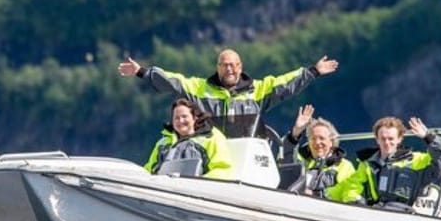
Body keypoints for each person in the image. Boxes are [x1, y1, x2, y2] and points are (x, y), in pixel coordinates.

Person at [118, 49, 339, 138]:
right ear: (218, 68)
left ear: (240, 67)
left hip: (248, 155)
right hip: (215, 159)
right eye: (224, 65)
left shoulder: (259, 90)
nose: (229, 69)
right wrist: (142, 72)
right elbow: (173, 81)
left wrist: (313, 71)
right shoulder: (200, 89)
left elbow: (285, 84)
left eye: (233, 65)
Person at [333, 116, 441, 209]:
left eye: (391, 139)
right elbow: (352, 186)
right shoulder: (367, 164)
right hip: (373, 213)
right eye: (383, 138)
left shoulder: (416, 160)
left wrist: (428, 137)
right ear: (377, 139)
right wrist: (357, 203)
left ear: (399, 139)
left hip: (403, 215)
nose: (387, 142)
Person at [282, 104, 357, 202]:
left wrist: (315, 194)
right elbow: (284, 163)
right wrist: (296, 132)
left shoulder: (344, 166)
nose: (317, 143)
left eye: (322, 138)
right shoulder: (301, 161)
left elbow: (348, 195)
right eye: (313, 138)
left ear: (332, 142)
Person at [144, 98, 234, 179]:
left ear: (195, 117)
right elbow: (148, 169)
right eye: (176, 118)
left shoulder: (211, 138)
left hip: (196, 190)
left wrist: (200, 183)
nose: (180, 121)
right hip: (161, 189)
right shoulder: (162, 143)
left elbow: (222, 169)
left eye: (184, 116)